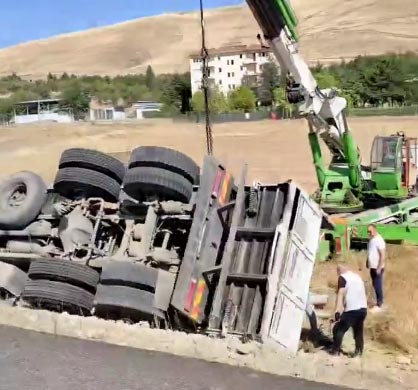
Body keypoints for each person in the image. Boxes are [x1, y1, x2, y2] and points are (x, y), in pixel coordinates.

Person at [330, 264, 368, 357]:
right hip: (363, 308)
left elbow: (340, 294)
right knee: (358, 331)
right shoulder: (357, 277)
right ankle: (359, 352)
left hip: (352, 309)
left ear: (339, 271)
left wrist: (337, 311)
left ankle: (335, 351)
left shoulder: (342, 278)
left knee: (338, 328)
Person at [367, 224, 386, 311]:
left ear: (375, 230)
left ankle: (379, 303)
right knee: (374, 284)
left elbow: (382, 255)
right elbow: (371, 252)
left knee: (378, 285)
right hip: (372, 267)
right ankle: (378, 302)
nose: (369, 233)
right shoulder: (372, 240)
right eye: (368, 231)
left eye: (370, 231)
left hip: (378, 267)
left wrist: (379, 268)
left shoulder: (379, 240)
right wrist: (368, 261)